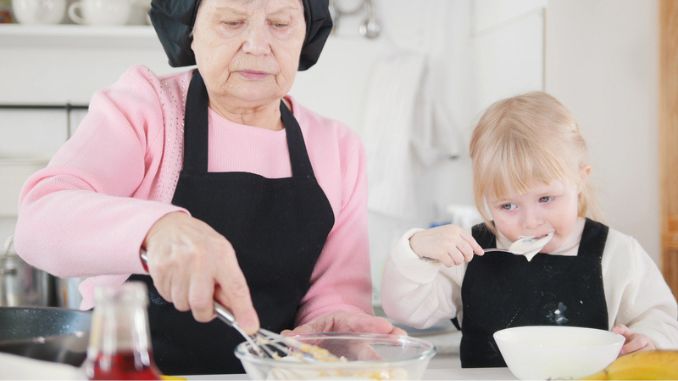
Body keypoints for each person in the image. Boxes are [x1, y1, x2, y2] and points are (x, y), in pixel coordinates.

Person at [14, 0, 401, 375]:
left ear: (306, 36)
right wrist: (158, 230)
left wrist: (335, 329)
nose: (257, 44)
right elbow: (38, 220)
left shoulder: (337, 147)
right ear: (190, 29)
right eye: (232, 21)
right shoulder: (147, 110)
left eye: (281, 24)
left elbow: (335, 295)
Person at [380, 92, 678, 368]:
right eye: (508, 206)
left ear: (580, 180)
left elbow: (663, 319)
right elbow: (407, 312)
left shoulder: (618, 254)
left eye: (546, 199)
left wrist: (649, 340)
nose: (530, 221)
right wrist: (415, 250)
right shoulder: (473, 252)